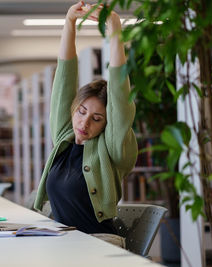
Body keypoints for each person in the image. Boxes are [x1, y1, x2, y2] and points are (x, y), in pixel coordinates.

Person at [34, 1, 137, 236]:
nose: (84, 123)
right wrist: (69, 23)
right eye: (81, 112)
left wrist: (115, 31)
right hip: (64, 241)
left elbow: (120, 101)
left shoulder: (112, 149)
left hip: (98, 241)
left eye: (97, 118)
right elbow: (63, 81)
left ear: (107, 123)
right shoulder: (65, 138)